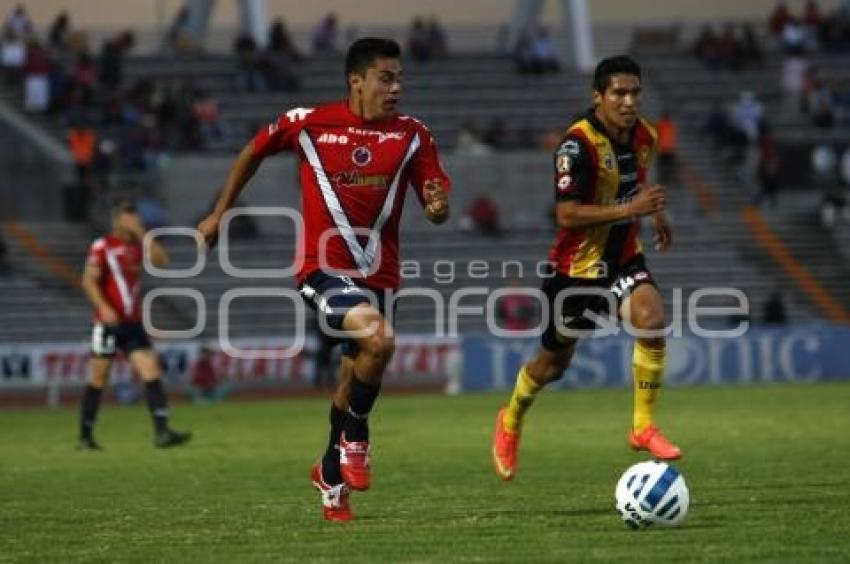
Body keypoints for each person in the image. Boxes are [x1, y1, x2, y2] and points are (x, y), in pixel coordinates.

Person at [197, 38, 451, 522]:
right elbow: (251, 152)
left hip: (382, 276)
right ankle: (357, 435)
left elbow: (436, 202)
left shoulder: (414, 135)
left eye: (399, 78)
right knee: (379, 340)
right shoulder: (308, 122)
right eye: (385, 78)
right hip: (322, 267)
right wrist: (218, 212)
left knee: (353, 373)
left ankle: (330, 475)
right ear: (356, 81)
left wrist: (439, 208)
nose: (396, 88)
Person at [491, 56, 681, 483]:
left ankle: (642, 427)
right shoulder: (576, 145)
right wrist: (631, 208)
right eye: (618, 93)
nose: (628, 101)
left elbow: (638, 181)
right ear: (598, 96)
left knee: (652, 319)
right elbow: (567, 214)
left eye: (634, 92)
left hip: (622, 259)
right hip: (574, 271)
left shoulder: (645, 134)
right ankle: (511, 417)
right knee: (551, 367)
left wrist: (655, 216)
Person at [78, 200, 191, 450]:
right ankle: (85, 436)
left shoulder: (138, 245)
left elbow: (162, 260)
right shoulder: (103, 245)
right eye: (129, 216)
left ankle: (162, 433)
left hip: (132, 324)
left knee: (151, 371)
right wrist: (104, 307)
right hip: (107, 323)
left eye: (135, 216)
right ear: (118, 219)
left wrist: (142, 233)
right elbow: (88, 280)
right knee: (99, 378)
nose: (134, 220)